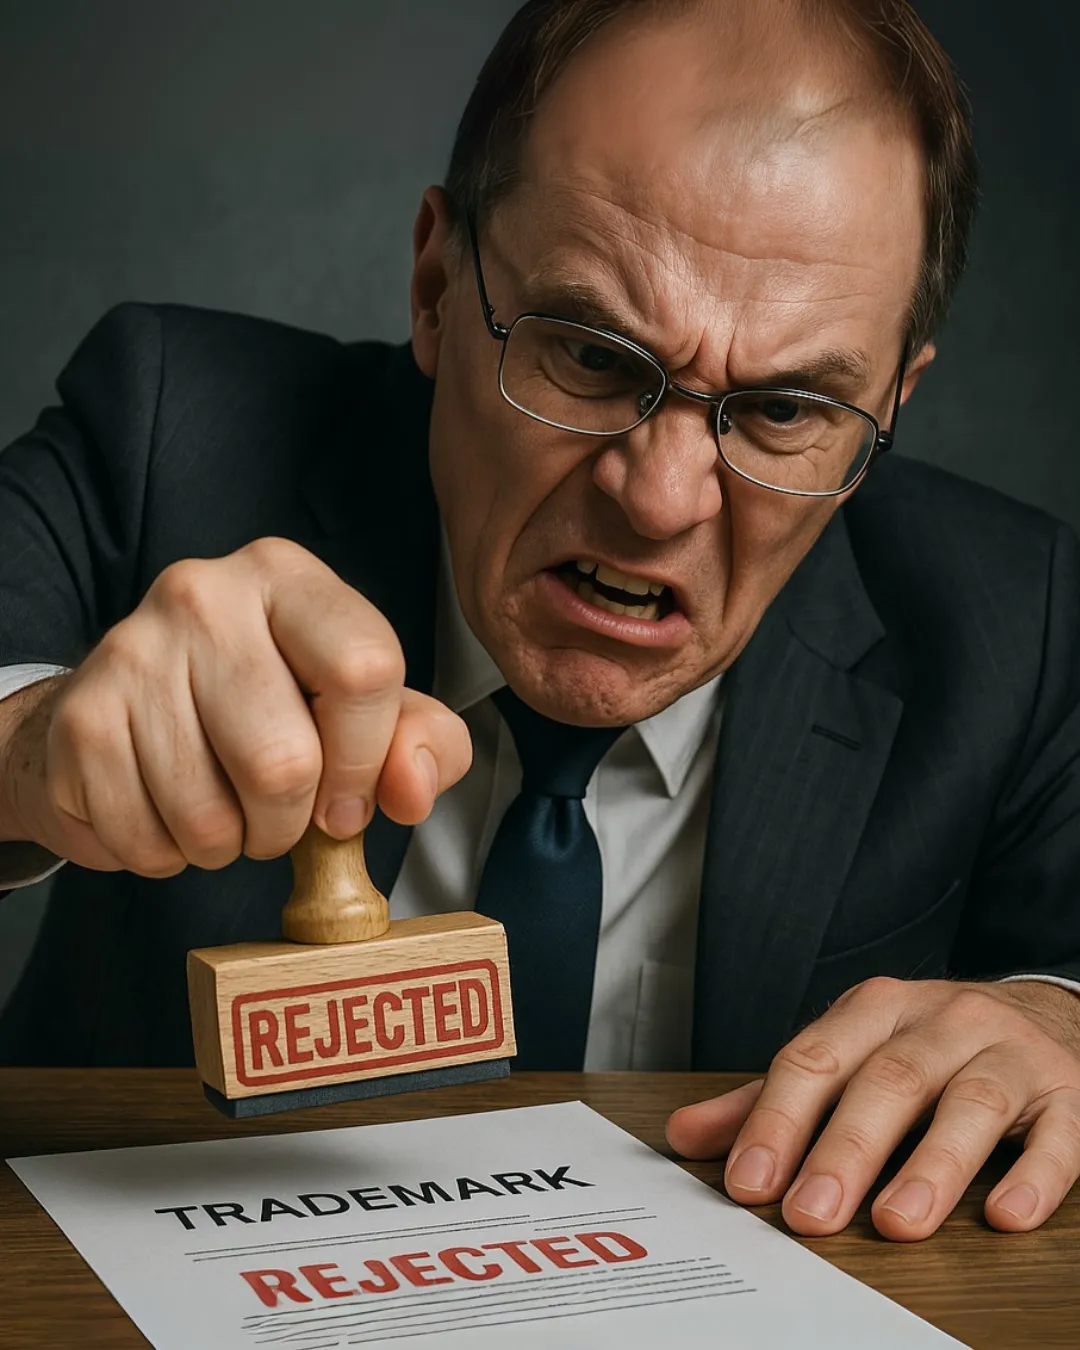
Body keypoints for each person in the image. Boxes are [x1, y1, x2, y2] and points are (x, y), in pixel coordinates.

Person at [0, 0, 1078, 1245]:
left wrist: (1056, 1018)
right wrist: (29, 754)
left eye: (787, 410)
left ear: (890, 406)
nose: (660, 500)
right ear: (435, 288)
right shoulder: (167, 428)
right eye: (592, 355)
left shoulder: (1015, 614)